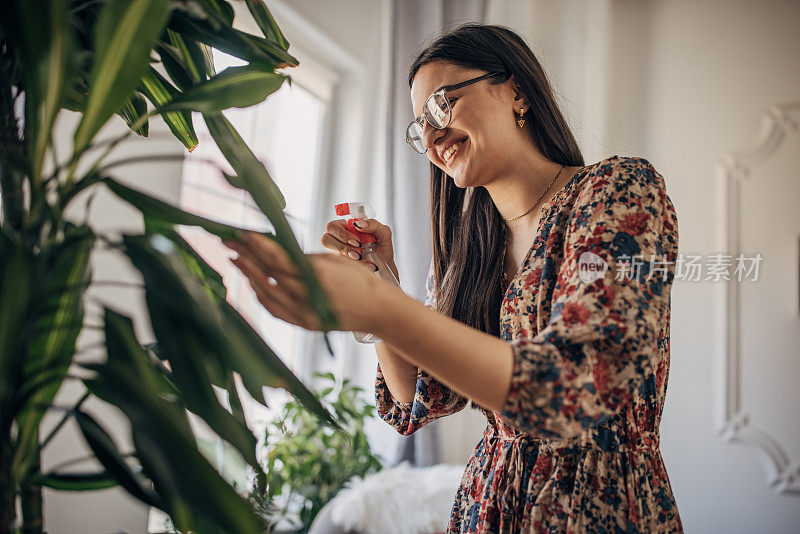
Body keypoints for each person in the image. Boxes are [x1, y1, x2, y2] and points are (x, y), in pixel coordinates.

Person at [224, 22, 683, 534]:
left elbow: (573, 383)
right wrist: (380, 287)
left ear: (516, 93)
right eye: (419, 126)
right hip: (486, 506)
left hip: (602, 508)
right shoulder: (469, 255)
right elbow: (417, 398)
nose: (431, 136)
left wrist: (379, 308)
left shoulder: (618, 191)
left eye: (441, 105)